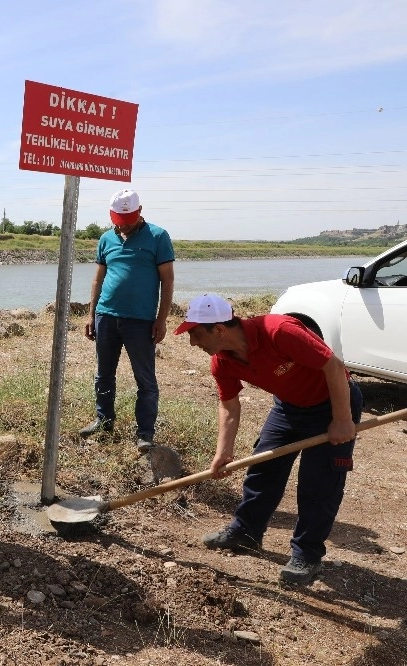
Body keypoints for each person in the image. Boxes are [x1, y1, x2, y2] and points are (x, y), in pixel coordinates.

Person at [174, 293, 363, 585]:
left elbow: (334, 367)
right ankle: (246, 531)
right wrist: (223, 452)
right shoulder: (222, 362)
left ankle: (307, 555)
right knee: (263, 469)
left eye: (196, 334)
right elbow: (229, 405)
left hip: (332, 402)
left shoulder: (279, 331)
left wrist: (341, 419)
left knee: (319, 483)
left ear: (219, 329)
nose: (193, 342)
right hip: (289, 407)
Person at [81, 189, 175, 451]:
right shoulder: (106, 238)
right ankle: (104, 420)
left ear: (140, 211)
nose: (122, 224)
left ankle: (144, 432)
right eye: (118, 218)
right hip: (106, 316)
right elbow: (98, 278)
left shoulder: (158, 236)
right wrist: (91, 314)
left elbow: (167, 280)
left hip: (141, 321)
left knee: (145, 380)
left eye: (128, 218)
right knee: (103, 374)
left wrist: (162, 319)